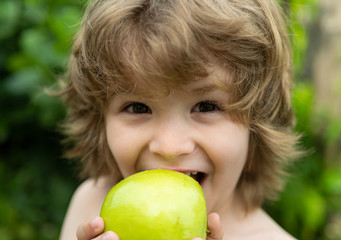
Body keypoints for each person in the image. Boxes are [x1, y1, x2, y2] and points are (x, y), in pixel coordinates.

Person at [58, 0, 302, 239]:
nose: (169, 147)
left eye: (206, 107)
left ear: (258, 122)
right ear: (101, 120)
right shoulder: (91, 207)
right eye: (138, 107)